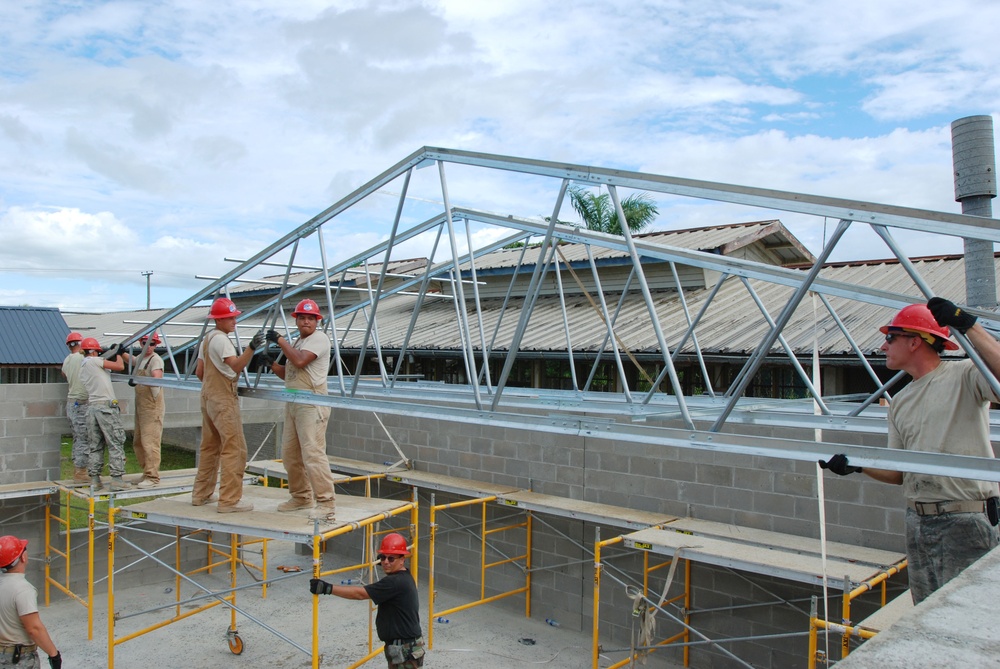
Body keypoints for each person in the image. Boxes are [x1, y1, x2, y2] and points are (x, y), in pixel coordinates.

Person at [821, 298, 1000, 605]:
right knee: (926, 615)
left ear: (916, 341)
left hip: (964, 520)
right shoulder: (900, 402)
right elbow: (897, 472)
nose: (883, 345)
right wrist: (857, 465)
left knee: (967, 615)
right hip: (918, 521)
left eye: (891, 337)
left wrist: (968, 325)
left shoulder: (964, 376)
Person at [191, 297, 265, 513]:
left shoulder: (207, 338)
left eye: (234, 317)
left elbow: (200, 373)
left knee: (210, 447)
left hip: (207, 397)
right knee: (235, 449)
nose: (234, 321)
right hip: (223, 399)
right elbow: (236, 367)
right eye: (230, 318)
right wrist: (251, 348)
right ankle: (229, 501)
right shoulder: (222, 340)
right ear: (218, 320)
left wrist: (212, 389)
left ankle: (201, 495)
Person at [266, 299, 336, 522]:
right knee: (290, 454)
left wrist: (279, 341)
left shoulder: (319, 339)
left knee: (313, 454)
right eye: (302, 318)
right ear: (296, 320)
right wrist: (271, 365)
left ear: (317, 321)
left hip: (311, 403)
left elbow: (299, 362)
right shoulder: (298, 341)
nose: (306, 321)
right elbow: (290, 375)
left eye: (310, 318)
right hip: (294, 401)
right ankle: (301, 496)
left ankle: (326, 503)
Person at [309, 533, 424, 668]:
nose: (385, 562)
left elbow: (360, 594)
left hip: (405, 649)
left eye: (391, 558)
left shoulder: (395, 582)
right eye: (382, 557)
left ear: (402, 559)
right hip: (404, 648)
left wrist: (327, 588)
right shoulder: (402, 577)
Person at [0, 536, 60, 669]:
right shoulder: (23, 589)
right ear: (23, 558)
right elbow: (34, 629)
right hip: (18, 660)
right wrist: (54, 655)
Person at [79, 337, 129, 492]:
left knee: (95, 446)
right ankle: (116, 479)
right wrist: (119, 353)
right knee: (115, 442)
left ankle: (95, 480)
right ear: (94, 351)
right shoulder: (93, 361)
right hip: (105, 409)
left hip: (92, 409)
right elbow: (120, 366)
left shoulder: (83, 366)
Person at [128, 332, 165, 489]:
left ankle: (152, 476)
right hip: (141, 406)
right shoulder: (141, 359)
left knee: (150, 442)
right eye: (145, 343)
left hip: (152, 407)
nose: (148, 346)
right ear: (140, 344)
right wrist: (119, 351)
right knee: (138, 441)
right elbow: (132, 360)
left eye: (152, 343)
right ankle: (146, 472)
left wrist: (139, 380)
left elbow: (157, 378)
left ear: (156, 345)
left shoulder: (155, 360)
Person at [60, 332, 90, 484]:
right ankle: (81, 472)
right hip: (82, 403)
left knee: (78, 438)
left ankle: (78, 469)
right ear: (81, 343)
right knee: (84, 438)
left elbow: (64, 374)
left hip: (72, 403)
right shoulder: (84, 358)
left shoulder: (67, 360)